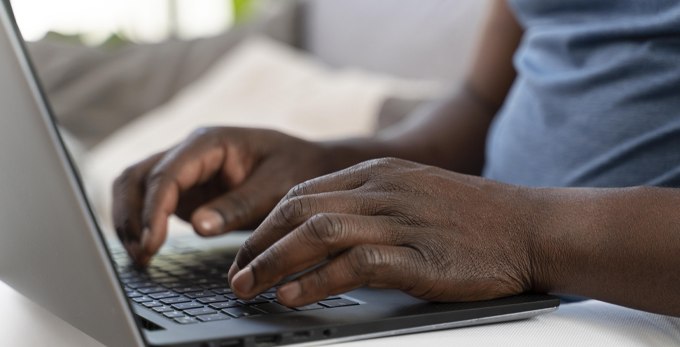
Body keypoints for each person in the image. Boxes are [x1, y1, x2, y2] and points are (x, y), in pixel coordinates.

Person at [113, 0, 680, 318]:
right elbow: (480, 101)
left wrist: (525, 234)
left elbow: (517, 228)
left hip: (627, 307)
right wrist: (325, 160)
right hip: (472, 291)